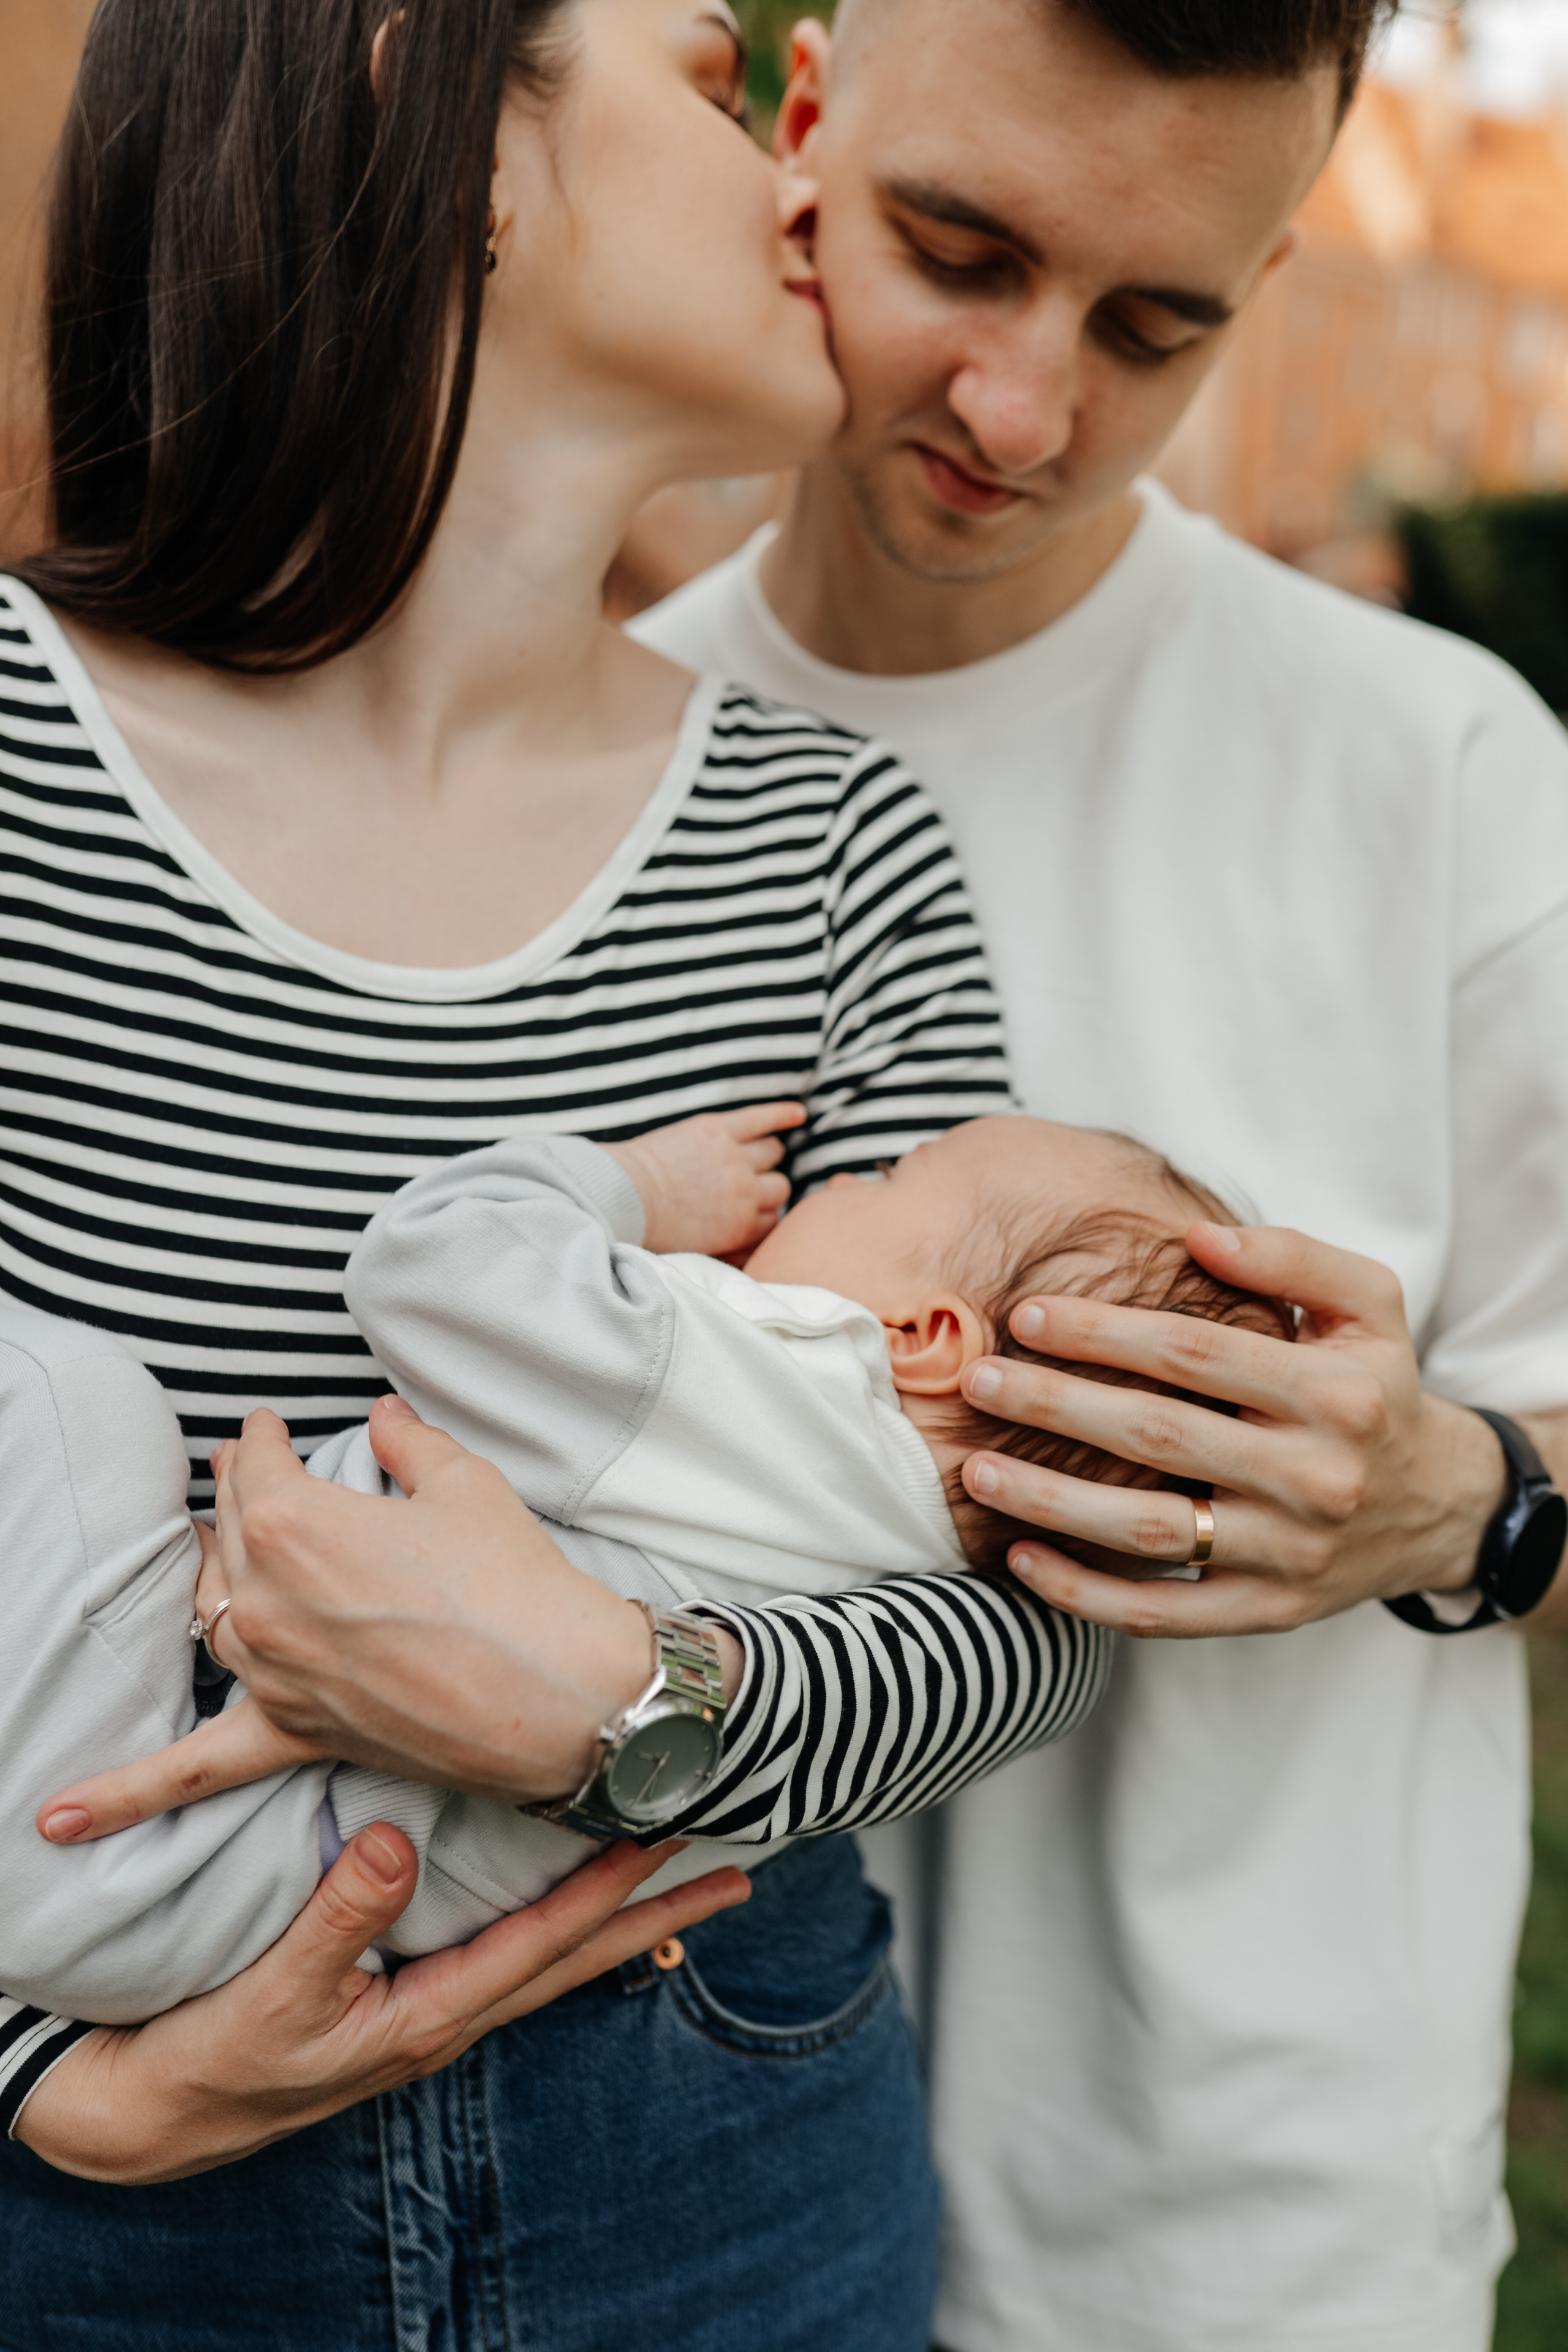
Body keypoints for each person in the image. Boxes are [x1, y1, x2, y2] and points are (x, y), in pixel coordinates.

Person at [0, 4, 1106, 2346]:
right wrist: (27, 2071)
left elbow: (1033, 1591)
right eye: (719, 84)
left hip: (724, 2136)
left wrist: (624, 1703)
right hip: (87, 2200)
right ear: (427, 100)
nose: (809, 185)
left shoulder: (834, 848)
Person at [628, 2, 1568, 2348]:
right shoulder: (574, 753)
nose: (1028, 411)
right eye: (964, 254)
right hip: (654, 2224)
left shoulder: (1442, 773)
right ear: (806, 128)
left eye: (1161, 329)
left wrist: (1467, 1499)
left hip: (1243, 2255)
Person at [16, 1108, 1283, 2019]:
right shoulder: (939, 1564)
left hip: (129, 1855)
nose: (831, 1183)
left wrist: (627, 1185)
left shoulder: (750, 1368)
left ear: (920, 1335)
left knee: (63, 1392)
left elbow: (429, 1262)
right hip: (262, 1947)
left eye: (891, 1173)